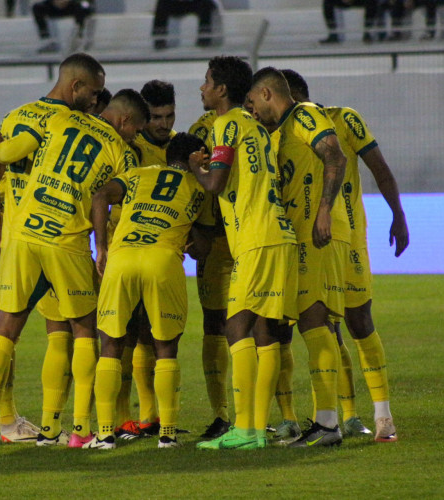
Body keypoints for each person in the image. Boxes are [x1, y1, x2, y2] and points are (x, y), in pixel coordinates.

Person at [0, 88, 147, 450]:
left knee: (6, 325)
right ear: (125, 121)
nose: (135, 137)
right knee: (83, 329)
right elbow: (115, 203)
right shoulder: (122, 153)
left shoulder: (58, 119)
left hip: (24, 233)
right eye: (136, 129)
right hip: (66, 240)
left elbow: (11, 152)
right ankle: (80, 429)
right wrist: (104, 247)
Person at [0, 53, 105, 449]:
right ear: (76, 87)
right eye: (93, 93)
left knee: (52, 322)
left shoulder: (32, 117)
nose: (95, 102)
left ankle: (50, 426)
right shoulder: (44, 120)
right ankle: (2, 419)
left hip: (29, 226)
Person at [278, 68, 407, 443]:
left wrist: (398, 214)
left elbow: (379, 169)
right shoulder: (279, 133)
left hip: (347, 237)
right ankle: (339, 416)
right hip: (308, 239)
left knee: (357, 320)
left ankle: (381, 417)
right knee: (320, 324)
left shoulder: (342, 119)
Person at [188, 56, 298, 451]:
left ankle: (245, 428)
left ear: (220, 90)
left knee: (235, 326)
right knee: (266, 332)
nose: (201, 88)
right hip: (278, 234)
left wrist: (194, 169)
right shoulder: (257, 127)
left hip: (257, 237)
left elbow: (215, 183)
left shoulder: (226, 123)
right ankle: (254, 429)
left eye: (206, 81)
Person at [84, 132, 209, 450]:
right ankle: (167, 435)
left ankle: (104, 435)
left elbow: (100, 196)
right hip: (162, 260)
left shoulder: (138, 174)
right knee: (165, 348)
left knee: (111, 343)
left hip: (122, 256)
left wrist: (100, 247)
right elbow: (204, 249)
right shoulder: (201, 187)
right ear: (197, 157)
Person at [248, 66, 348, 448]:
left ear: (268, 94)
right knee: (310, 324)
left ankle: (328, 425)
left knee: (316, 322)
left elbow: (334, 157)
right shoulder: (280, 133)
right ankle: (324, 423)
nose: (254, 110)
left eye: (255, 101)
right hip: (300, 238)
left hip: (317, 235)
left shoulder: (304, 114)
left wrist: (324, 211)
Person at [111, 80, 179, 441]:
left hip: (160, 250)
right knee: (125, 332)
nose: (163, 124)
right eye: (155, 117)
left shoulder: (180, 149)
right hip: (123, 245)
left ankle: (150, 416)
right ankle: (123, 418)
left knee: (154, 332)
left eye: (169, 116)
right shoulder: (131, 149)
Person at [187, 108, 233, 440]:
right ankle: (222, 415)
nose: (202, 89)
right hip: (215, 239)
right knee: (215, 323)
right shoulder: (201, 128)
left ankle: (263, 416)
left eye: (208, 82)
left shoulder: (254, 123)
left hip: (250, 236)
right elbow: (195, 182)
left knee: (262, 326)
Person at [152, 0, 218, 50]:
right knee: (162, 3)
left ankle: (204, 40)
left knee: (206, 4)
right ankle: (159, 41)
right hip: (174, 3)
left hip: (194, 3)